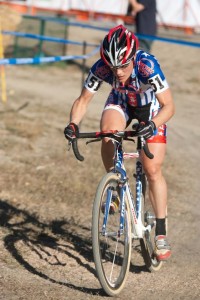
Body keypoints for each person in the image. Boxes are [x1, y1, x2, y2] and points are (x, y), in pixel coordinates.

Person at [64, 25, 175, 261]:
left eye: (123, 66)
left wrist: (153, 125)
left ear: (133, 58)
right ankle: (114, 184)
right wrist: (73, 123)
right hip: (122, 102)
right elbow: (83, 100)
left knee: (152, 169)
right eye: (113, 68)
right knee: (108, 133)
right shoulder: (102, 68)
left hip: (151, 108)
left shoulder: (147, 65)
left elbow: (169, 106)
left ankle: (161, 233)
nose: (119, 72)